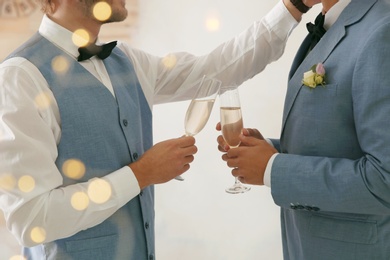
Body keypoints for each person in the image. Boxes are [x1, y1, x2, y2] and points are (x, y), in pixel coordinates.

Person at [0, 0, 317, 259]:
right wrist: (140, 174)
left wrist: (294, 6)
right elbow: (31, 220)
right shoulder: (20, 78)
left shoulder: (127, 60)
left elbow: (216, 70)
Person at [217, 0, 390, 259]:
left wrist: (273, 169)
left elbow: (384, 179)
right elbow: (342, 140)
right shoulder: (332, 21)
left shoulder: (381, 30)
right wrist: (270, 151)